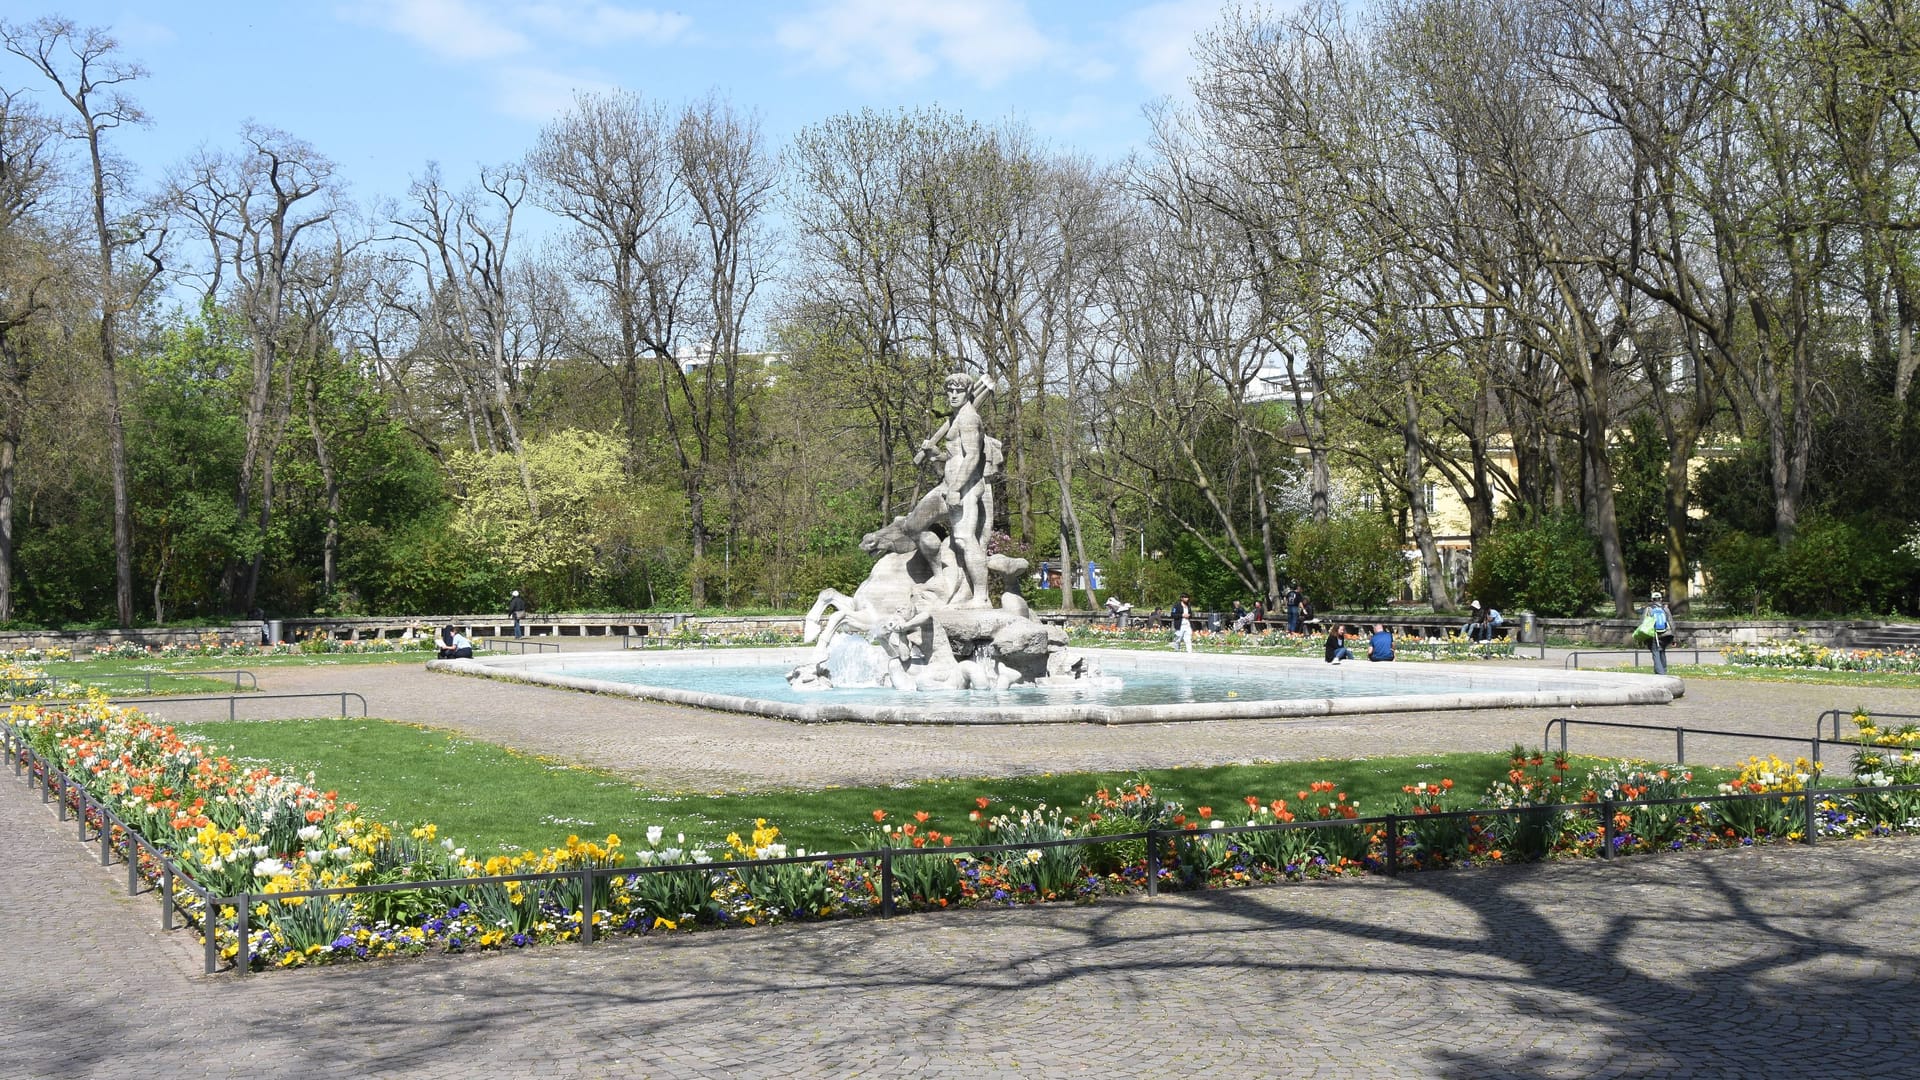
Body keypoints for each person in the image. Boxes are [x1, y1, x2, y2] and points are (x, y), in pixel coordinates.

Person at [1636, 591, 1673, 675]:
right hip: (1665, 634)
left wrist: (1640, 637)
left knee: (1655, 653)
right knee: (1662, 651)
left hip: (1654, 634)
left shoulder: (1648, 609)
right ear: (1661, 599)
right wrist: (1674, 637)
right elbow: (1671, 623)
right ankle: (1664, 671)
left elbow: (1642, 623)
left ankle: (1661, 674)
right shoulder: (1665, 609)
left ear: (1652, 599)